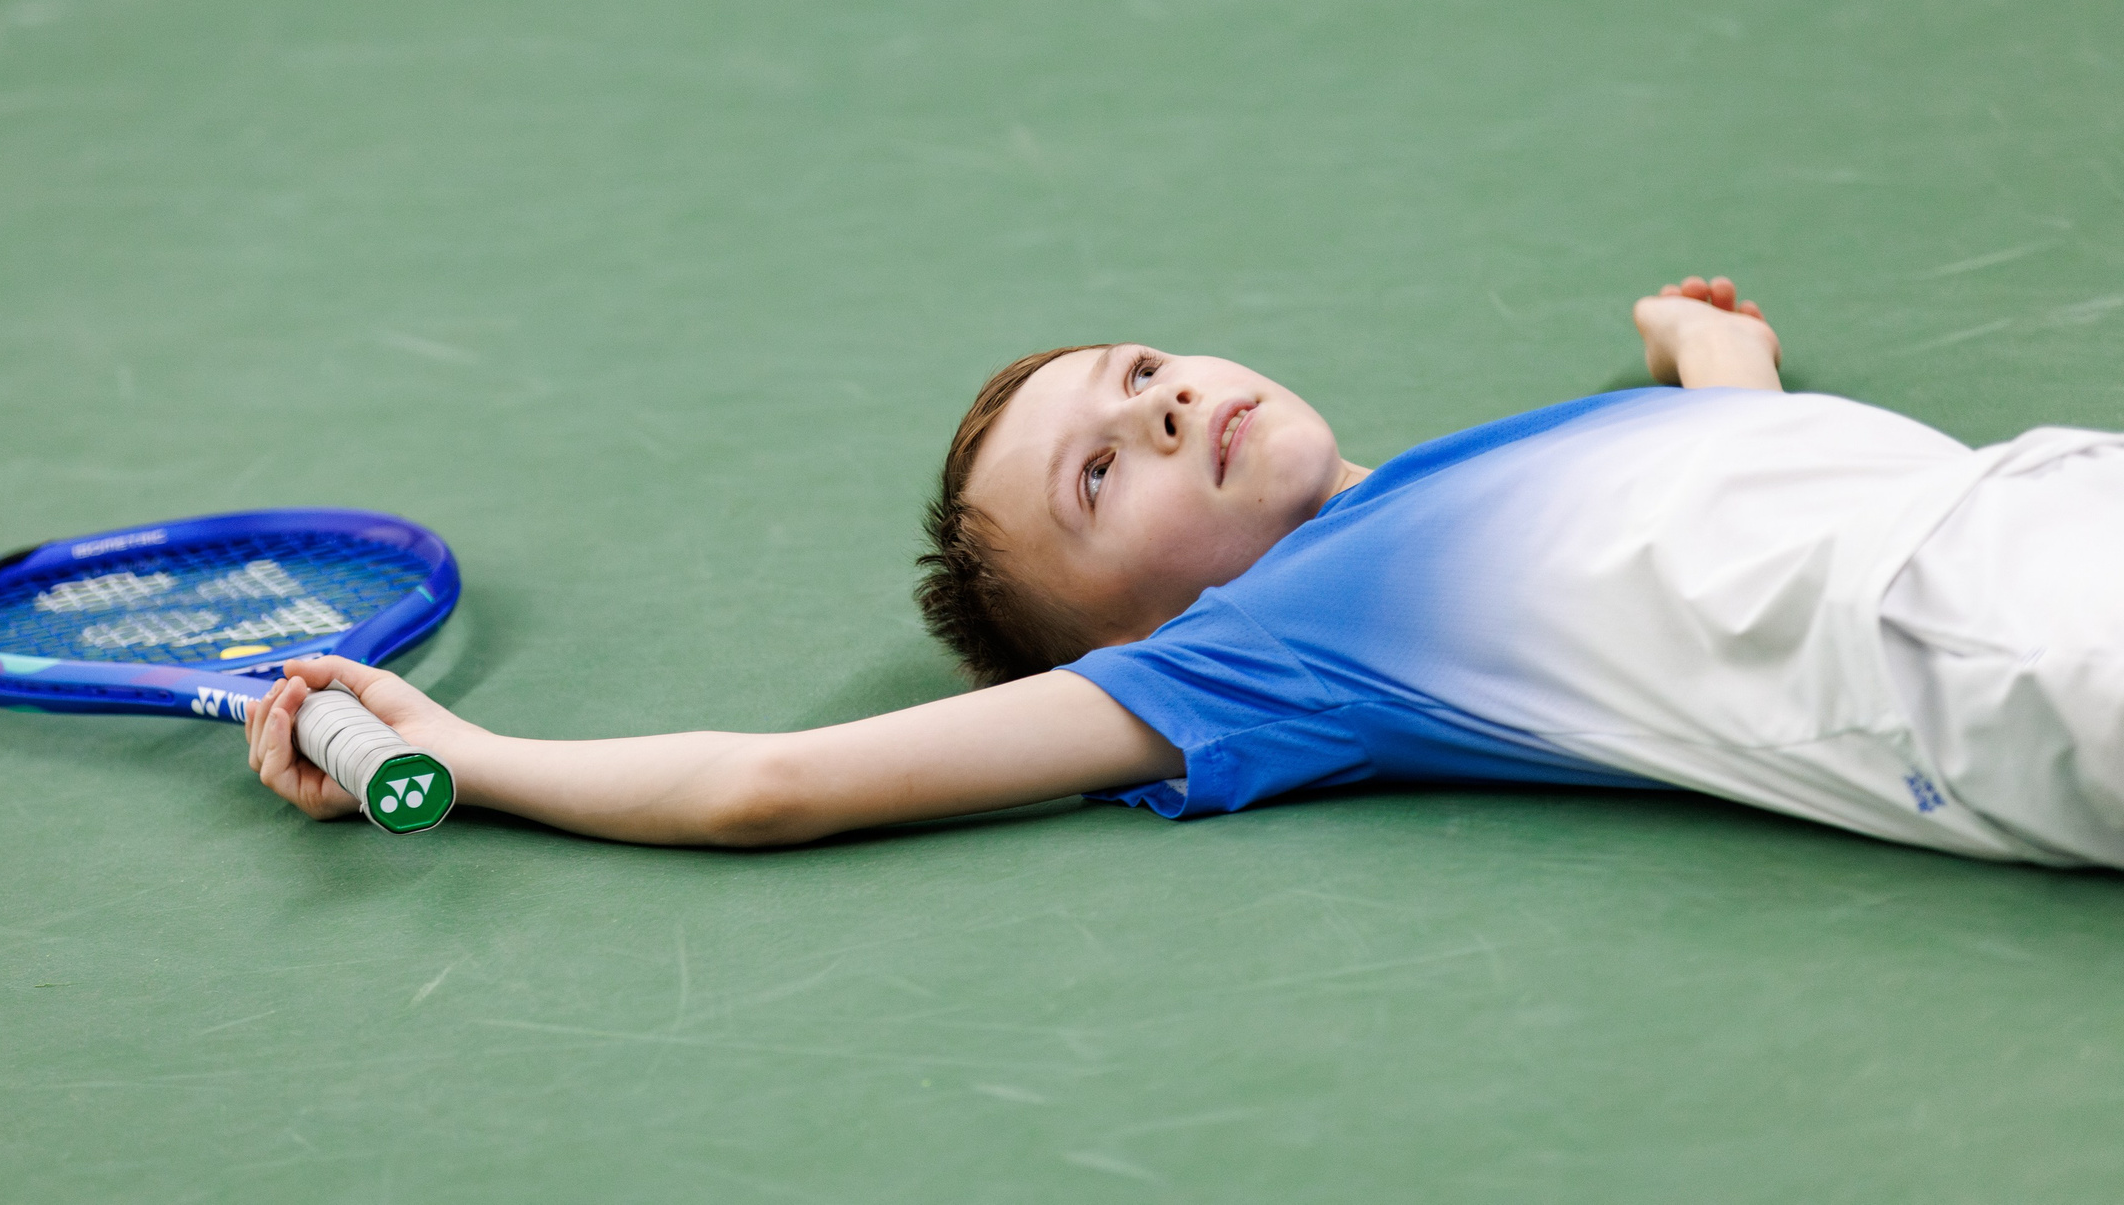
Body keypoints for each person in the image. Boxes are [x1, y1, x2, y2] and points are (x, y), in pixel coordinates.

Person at [244, 277, 2124, 868]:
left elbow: (1728, 470)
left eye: (1141, 379)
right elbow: (774, 781)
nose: (1160, 414)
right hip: (1993, 642)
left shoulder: (1494, 474)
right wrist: (464, 754)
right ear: (1143, 632)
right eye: (1099, 473)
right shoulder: (1266, 653)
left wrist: (1710, 351)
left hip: (2044, 505)